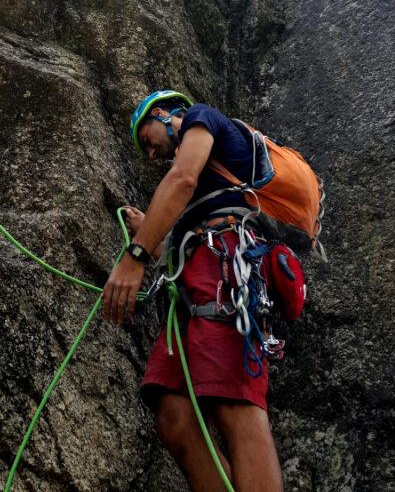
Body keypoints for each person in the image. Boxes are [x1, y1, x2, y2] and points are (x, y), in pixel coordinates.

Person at [103, 90, 285, 492]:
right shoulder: (208, 185)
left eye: (147, 139)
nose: (150, 154)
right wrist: (153, 234)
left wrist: (136, 255)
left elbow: (182, 179)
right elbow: (188, 232)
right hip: (196, 281)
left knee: (232, 400)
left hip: (227, 271)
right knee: (172, 412)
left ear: (164, 114)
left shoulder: (202, 118)